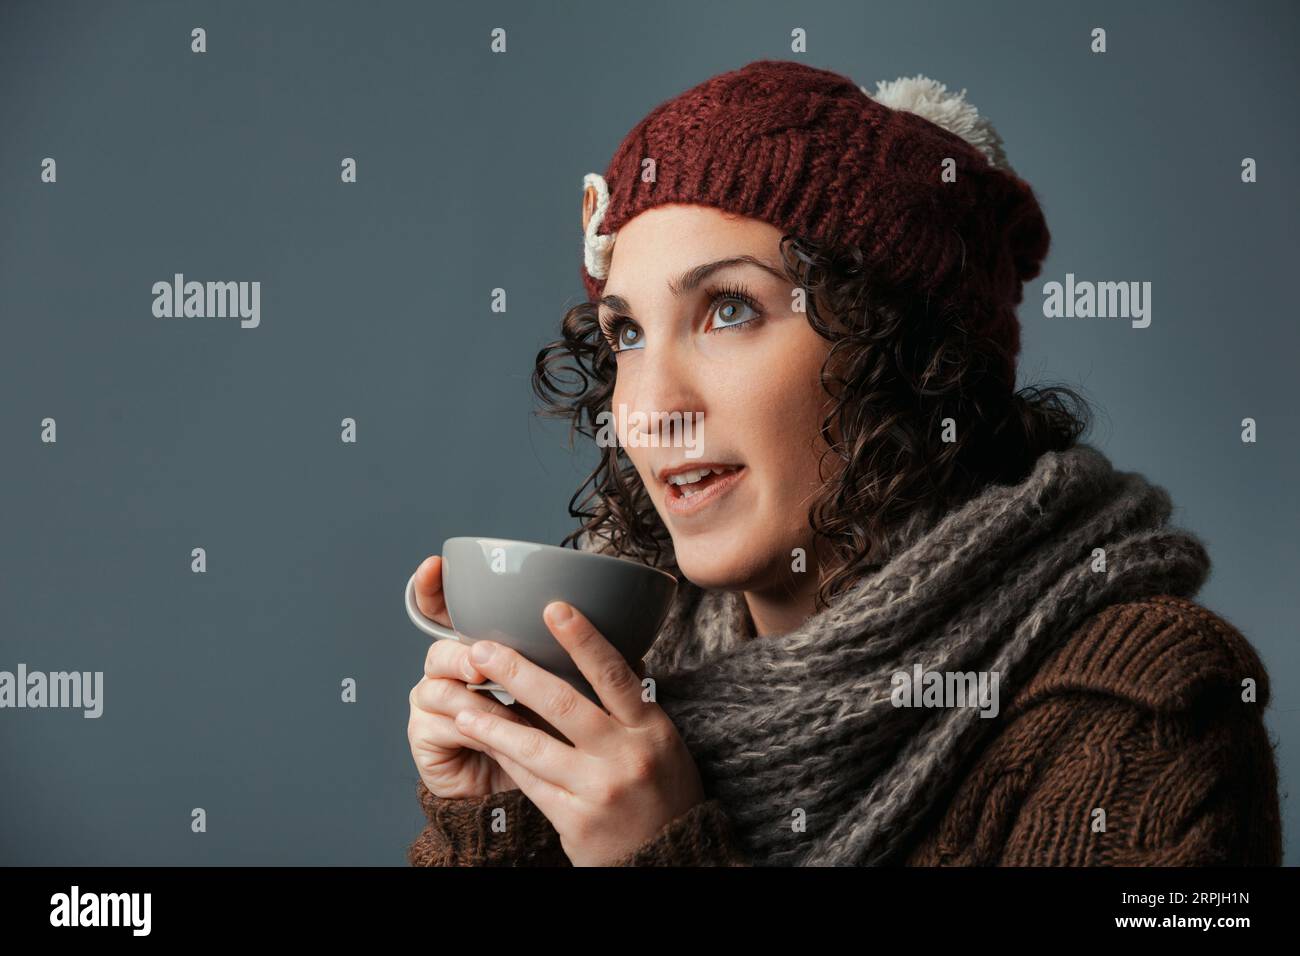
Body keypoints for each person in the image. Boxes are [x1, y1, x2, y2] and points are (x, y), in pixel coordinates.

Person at [405, 60, 1282, 866]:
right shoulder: (623, 701)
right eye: (627, 334)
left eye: (730, 311)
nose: (647, 410)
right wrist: (502, 813)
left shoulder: (1148, 707)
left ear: (903, 350)